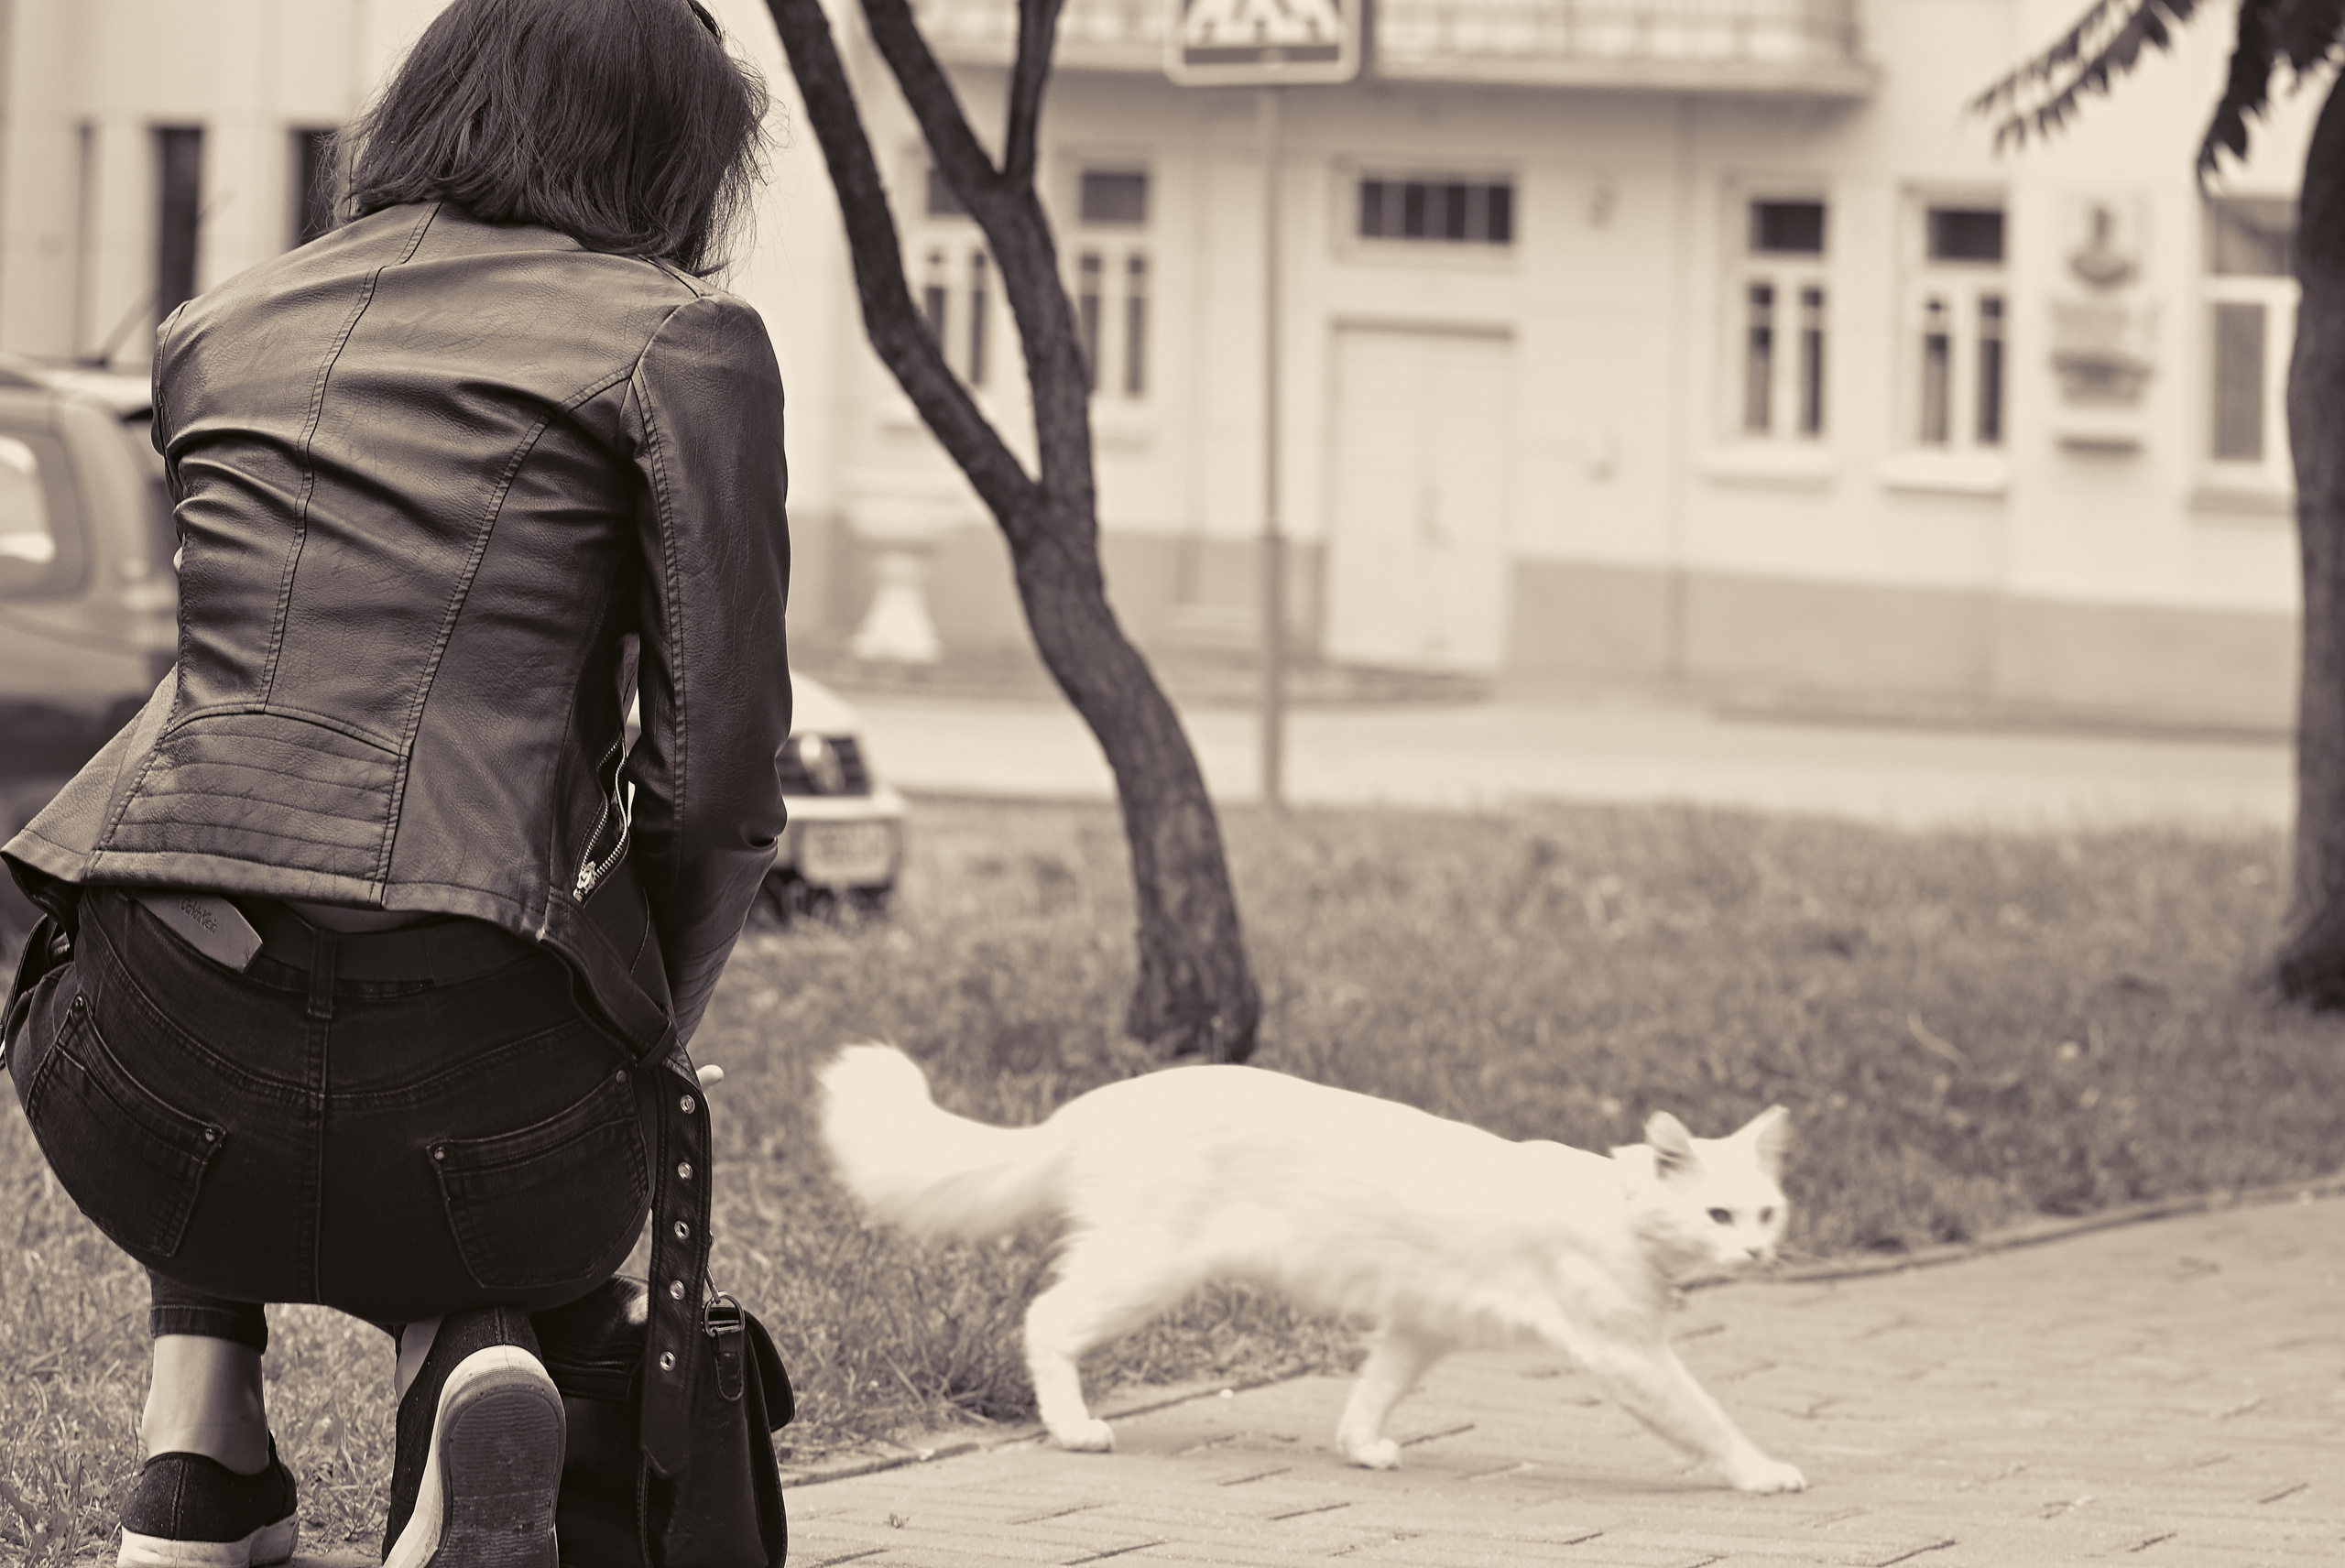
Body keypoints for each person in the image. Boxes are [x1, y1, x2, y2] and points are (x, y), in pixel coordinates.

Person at [0, 1, 790, 1563]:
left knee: (241, 856)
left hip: (135, 1098)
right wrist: (641, 1038)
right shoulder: (677, 340)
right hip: (490, 1124)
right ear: (670, 152)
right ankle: (465, 1370)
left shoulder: (222, 323)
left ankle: (203, 1461)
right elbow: (719, 781)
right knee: (475, 1042)